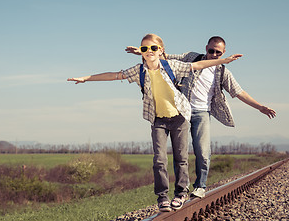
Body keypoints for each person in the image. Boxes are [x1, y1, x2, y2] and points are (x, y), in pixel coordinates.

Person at [68, 34, 242, 211]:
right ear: (141, 52)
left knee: (181, 159)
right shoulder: (139, 70)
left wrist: (223, 61)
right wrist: (86, 78)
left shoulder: (171, 65)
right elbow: (114, 75)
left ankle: (181, 194)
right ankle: (162, 198)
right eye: (144, 49)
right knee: (159, 160)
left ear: (161, 50)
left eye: (152, 48)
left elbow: (197, 65)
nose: (148, 51)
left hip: (179, 118)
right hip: (158, 120)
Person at [125, 36, 276, 199]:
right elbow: (166, 57)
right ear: (206, 48)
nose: (214, 54)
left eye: (218, 52)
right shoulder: (192, 57)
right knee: (179, 153)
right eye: (211, 51)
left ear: (223, 53)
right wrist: (143, 51)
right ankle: (182, 188)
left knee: (203, 151)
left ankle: (200, 186)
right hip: (182, 110)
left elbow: (239, 92)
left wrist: (260, 107)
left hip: (202, 113)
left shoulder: (223, 72)